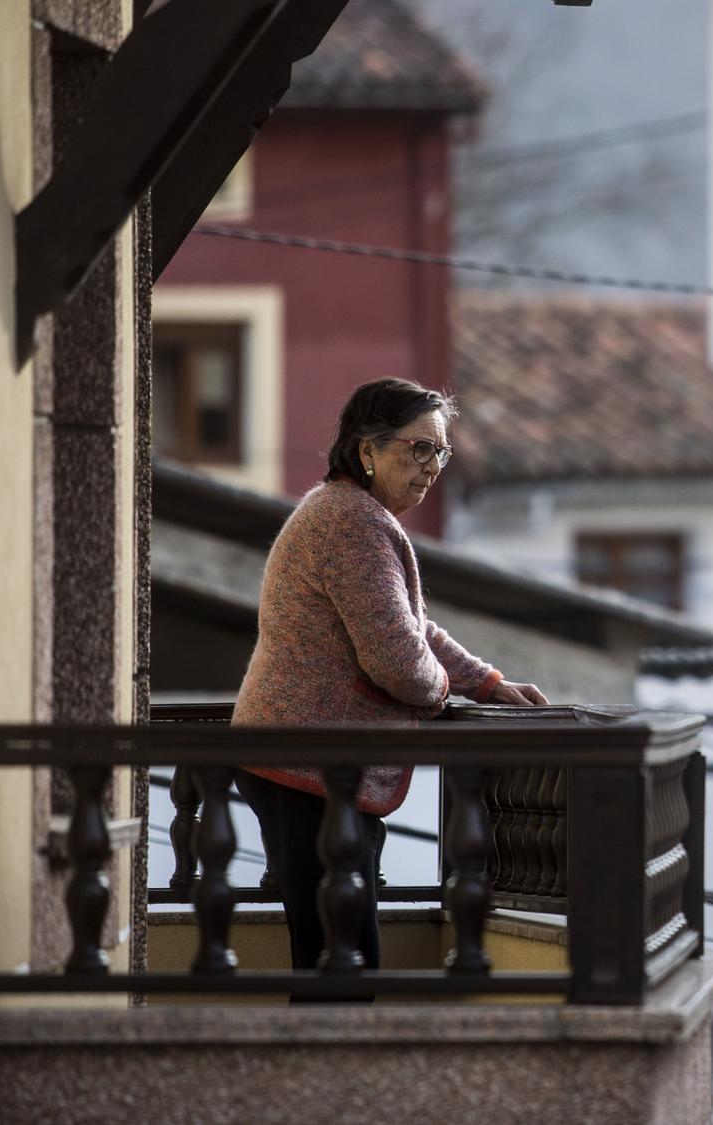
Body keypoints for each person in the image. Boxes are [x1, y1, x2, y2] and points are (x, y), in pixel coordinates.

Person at [231, 377, 547, 978]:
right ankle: (325, 1074)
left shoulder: (352, 513)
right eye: (418, 449)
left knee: (335, 960)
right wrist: (439, 693)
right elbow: (401, 663)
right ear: (367, 450)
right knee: (341, 966)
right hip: (309, 770)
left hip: (307, 765)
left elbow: (414, 628)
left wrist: (484, 683)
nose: (432, 467)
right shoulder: (351, 522)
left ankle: (325, 1070)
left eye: (440, 452)